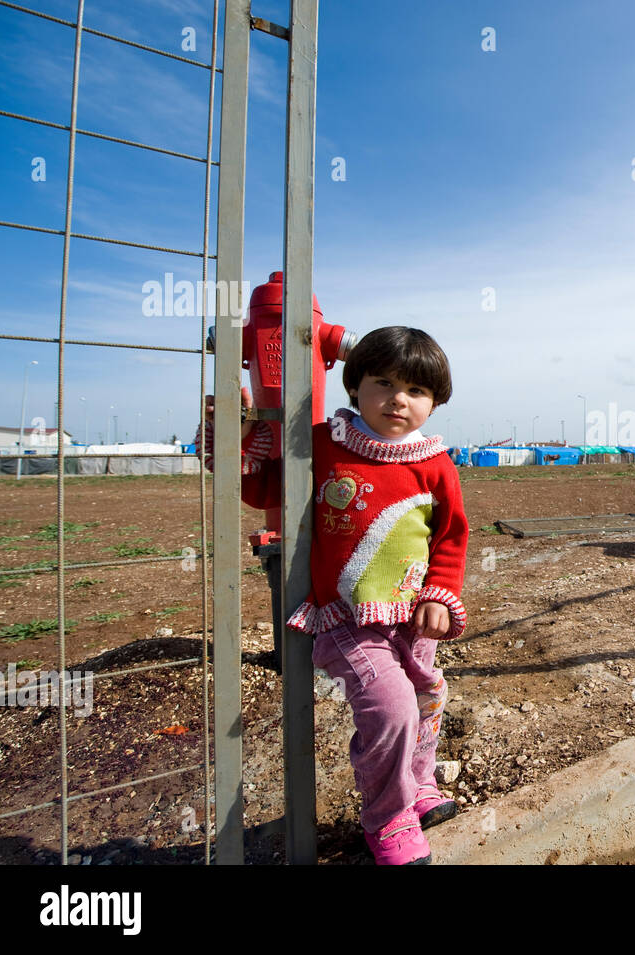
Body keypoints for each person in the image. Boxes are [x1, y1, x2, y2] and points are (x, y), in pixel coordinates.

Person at [200, 326, 469, 865]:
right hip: (345, 619)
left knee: (426, 696)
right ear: (353, 385)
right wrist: (233, 432)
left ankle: (419, 783)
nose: (399, 398)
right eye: (384, 382)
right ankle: (388, 818)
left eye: (416, 390)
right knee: (390, 708)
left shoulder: (435, 463)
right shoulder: (322, 444)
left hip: (413, 617)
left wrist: (440, 593)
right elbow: (261, 488)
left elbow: (451, 535)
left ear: (435, 402)